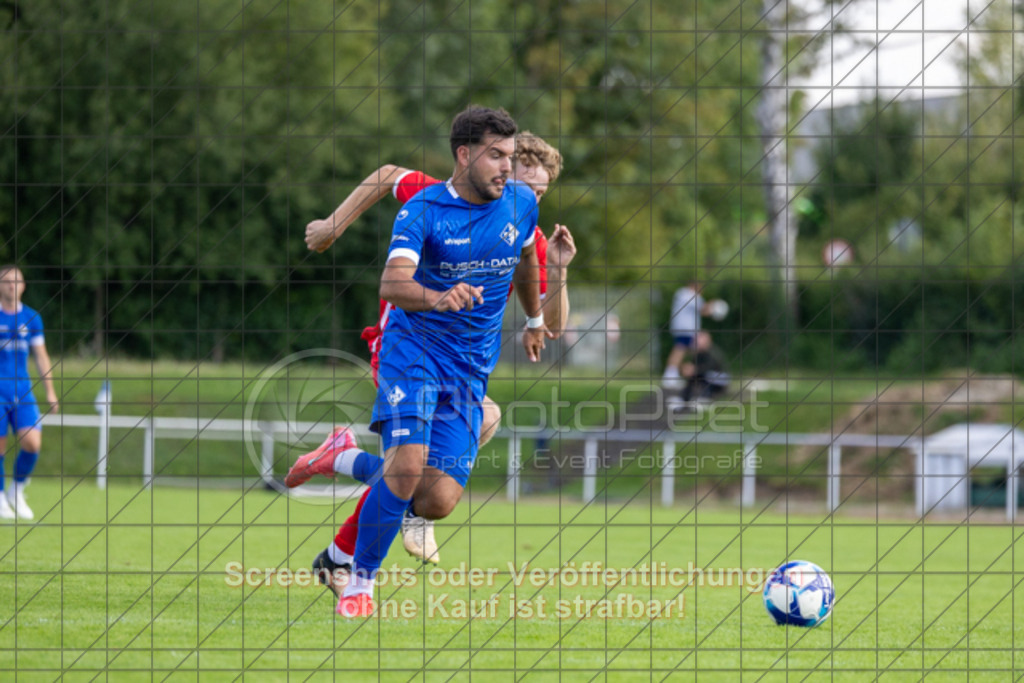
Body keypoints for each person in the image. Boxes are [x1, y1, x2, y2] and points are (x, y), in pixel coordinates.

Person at [288, 131, 574, 596]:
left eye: (540, 192)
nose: (524, 192)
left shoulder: (529, 231)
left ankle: (342, 468)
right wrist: (332, 225)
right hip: (405, 344)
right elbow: (384, 177)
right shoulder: (440, 197)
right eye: (519, 178)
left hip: (463, 364)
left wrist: (556, 278)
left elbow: (554, 321)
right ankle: (355, 562)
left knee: (460, 450)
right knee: (409, 469)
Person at [0, 265, 58, 521]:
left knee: (32, 442)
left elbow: (41, 357)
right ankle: (0, 496)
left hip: (23, 391)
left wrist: (50, 391)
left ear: (23, 286)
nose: (12, 285)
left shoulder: (33, 318)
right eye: (7, 281)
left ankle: (17, 489)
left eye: (17, 281)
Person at [661, 281, 722, 408]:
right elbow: (704, 309)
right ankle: (670, 376)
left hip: (685, 328)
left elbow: (703, 310)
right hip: (685, 328)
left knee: (689, 352)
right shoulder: (687, 294)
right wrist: (714, 305)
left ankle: (688, 373)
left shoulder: (684, 294)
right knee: (680, 350)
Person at [677, 331, 730, 408]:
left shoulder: (712, 352)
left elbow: (709, 367)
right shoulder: (698, 354)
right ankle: (684, 398)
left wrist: (694, 370)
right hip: (709, 375)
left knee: (705, 375)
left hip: (720, 378)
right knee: (694, 376)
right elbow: (693, 366)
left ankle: (705, 398)